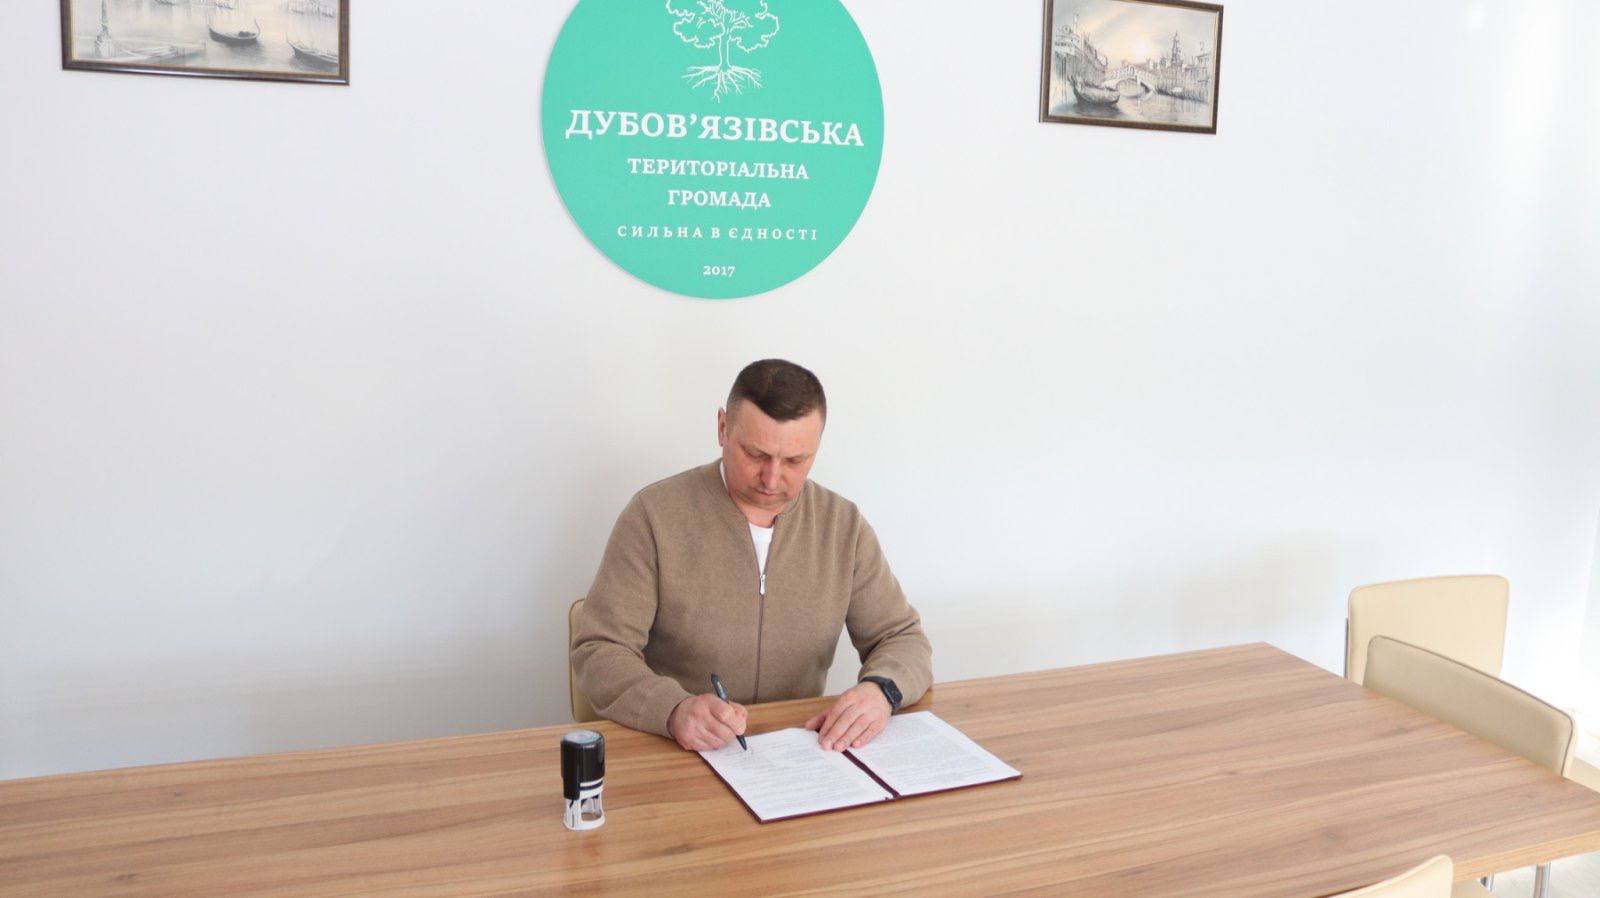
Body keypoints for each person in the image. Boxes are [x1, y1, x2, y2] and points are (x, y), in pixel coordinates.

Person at [570, 359, 932, 753]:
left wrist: (882, 692)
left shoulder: (842, 526)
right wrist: (673, 710)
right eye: (756, 454)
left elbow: (902, 638)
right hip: (675, 753)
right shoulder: (654, 516)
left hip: (800, 754)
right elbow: (599, 650)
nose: (772, 479)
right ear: (722, 428)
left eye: (795, 461)